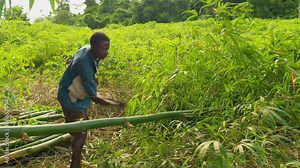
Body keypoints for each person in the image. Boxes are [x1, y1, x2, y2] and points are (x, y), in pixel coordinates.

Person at [57, 32, 122, 168]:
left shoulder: (88, 50)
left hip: (79, 94)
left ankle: (76, 155)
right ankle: (75, 165)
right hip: (70, 97)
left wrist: (92, 79)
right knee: (80, 134)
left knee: (80, 127)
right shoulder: (84, 64)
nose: (107, 52)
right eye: (104, 49)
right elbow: (94, 97)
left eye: (107, 48)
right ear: (94, 48)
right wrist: (115, 104)